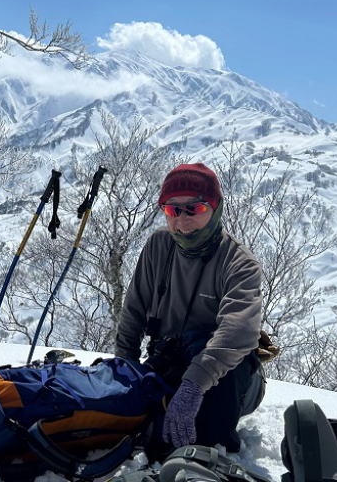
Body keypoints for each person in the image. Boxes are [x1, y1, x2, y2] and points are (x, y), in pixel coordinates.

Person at [114, 162, 265, 454]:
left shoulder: (238, 262)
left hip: (225, 373)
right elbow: (133, 311)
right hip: (170, 359)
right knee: (148, 435)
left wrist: (195, 385)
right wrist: (125, 370)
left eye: (193, 209)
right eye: (173, 210)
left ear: (215, 208)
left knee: (202, 442)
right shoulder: (159, 246)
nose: (182, 220)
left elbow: (240, 331)